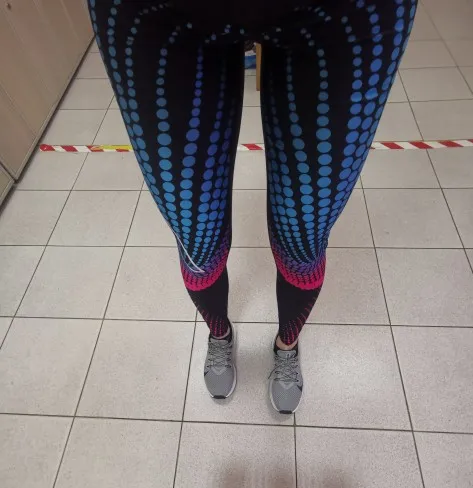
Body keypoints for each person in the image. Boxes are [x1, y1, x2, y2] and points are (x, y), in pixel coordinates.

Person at [88, 0, 417, 414]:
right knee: (197, 241)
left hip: (341, 13)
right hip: (159, 12)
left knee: (303, 239)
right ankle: (220, 334)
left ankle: (286, 344)